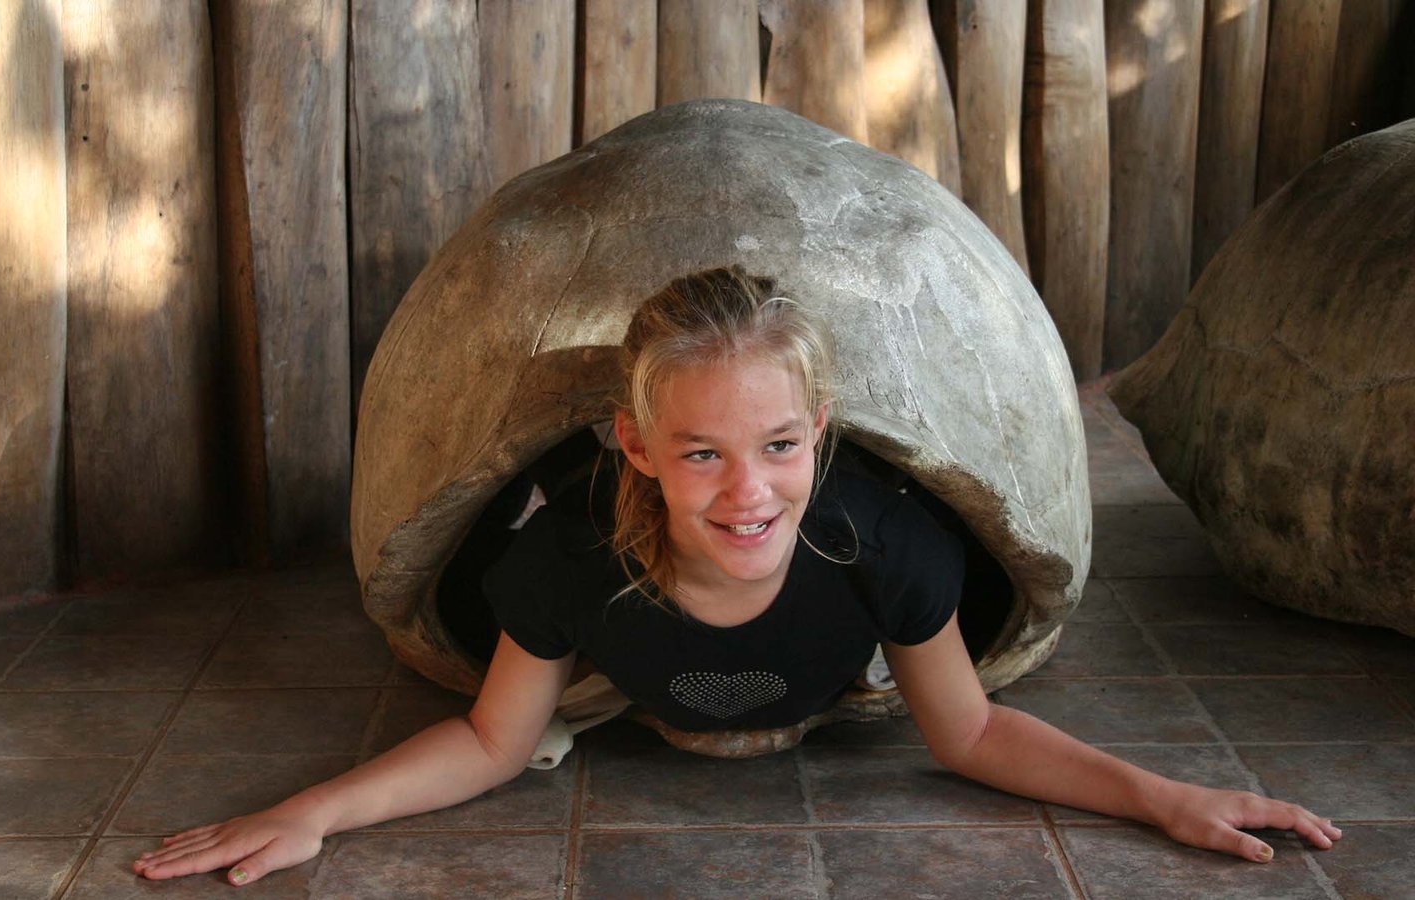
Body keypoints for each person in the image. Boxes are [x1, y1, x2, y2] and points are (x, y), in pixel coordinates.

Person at [134, 267, 1340, 886]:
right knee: (561, 707)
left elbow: (967, 733)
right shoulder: (574, 553)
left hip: (840, 664)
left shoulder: (881, 537)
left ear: (820, 432)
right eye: (700, 454)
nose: (746, 493)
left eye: (776, 448)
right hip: (617, 673)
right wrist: (312, 812)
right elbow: (498, 740)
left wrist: (1159, 797)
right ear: (636, 447)